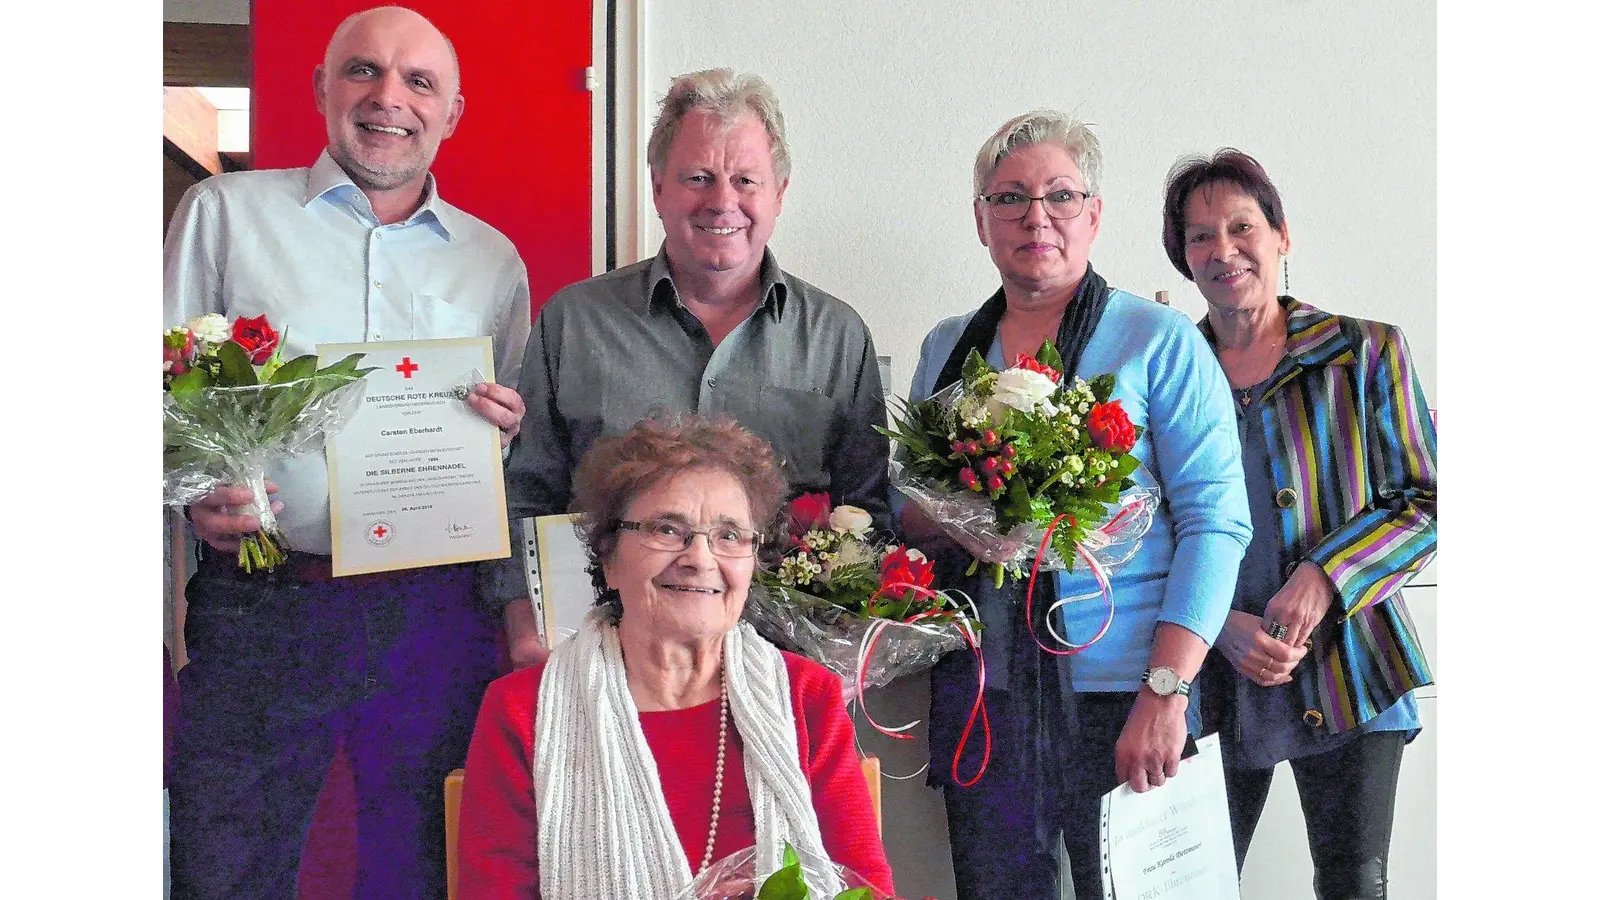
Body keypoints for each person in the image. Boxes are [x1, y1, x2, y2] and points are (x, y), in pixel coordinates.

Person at [162, 7, 531, 899]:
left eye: (419, 82)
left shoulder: (493, 262)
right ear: (321, 88)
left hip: (432, 617)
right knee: (226, 862)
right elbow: (153, 395)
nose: (388, 99)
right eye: (362, 71)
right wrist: (190, 491)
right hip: (263, 601)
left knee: (417, 865)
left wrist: (505, 432)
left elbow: (517, 465)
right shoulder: (224, 215)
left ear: (453, 113)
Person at [901, 110, 1252, 899]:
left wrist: (1167, 692)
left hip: (1125, 693)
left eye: (1061, 195)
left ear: (1094, 214)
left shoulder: (1157, 339)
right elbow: (911, 509)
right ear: (981, 219)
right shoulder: (946, 346)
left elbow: (1216, 522)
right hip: (985, 690)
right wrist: (963, 516)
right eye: (1010, 197)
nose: (1036, 217)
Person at [486, 68, 890, 669]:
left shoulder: (837, 336)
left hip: (786, 668)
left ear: (779, 191)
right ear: (657, 188)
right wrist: (526, 631)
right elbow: (525, 496)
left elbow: (869, 511)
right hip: (600, 659)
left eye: (745, 180)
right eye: (697, 177)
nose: (721, 201)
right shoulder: (574, 322)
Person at [458, 416, 894, 898]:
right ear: (608, 556)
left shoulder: (806, 695)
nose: (700, 558)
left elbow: (866, 889)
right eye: (668, 529)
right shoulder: (521, 710)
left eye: (729, 536)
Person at [1161, 148, 1437, 899]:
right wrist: (1217, 623)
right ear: (1182, 259)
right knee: (1194, 885)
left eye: (1241, 226)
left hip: (1354, 663)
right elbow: (1143, 531)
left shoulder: (1366, 351)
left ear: (1282, 234)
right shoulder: (1169, 368)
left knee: (1354, 882)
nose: (1223, 251)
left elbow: (1428, 500)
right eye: (1199, 237)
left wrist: (1325, 576)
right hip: (1209, 674)